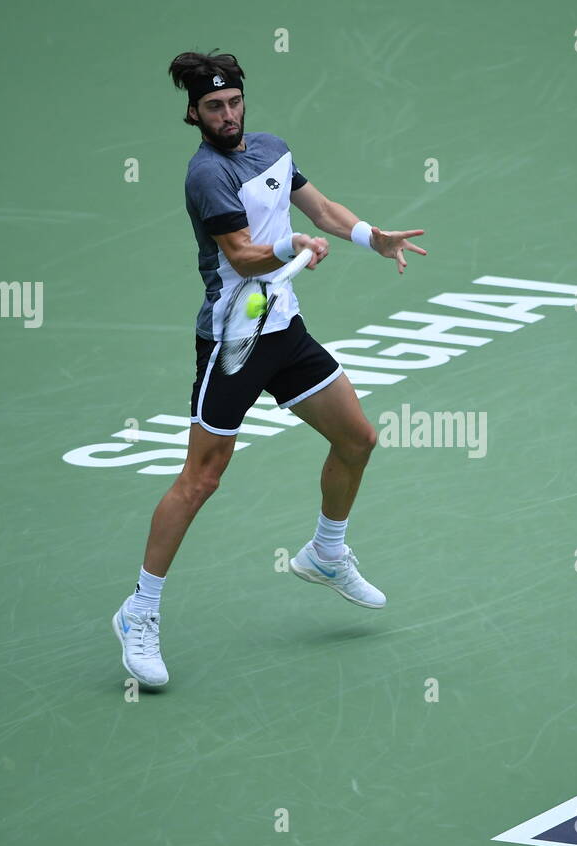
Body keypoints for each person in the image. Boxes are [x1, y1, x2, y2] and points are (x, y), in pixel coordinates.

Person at [112, 49, 428, 689]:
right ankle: (139, 610)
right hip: (234, 337)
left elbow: (323, 211)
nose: (226, 116)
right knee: (202, 478)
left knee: (357, 438)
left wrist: (373, 237)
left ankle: (326, 553)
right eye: (213, 108)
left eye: (233, 103)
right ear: (193, 113)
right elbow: (245, 255)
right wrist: (292, 246)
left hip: (283, 331)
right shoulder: (205, 176)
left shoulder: (271, 150)